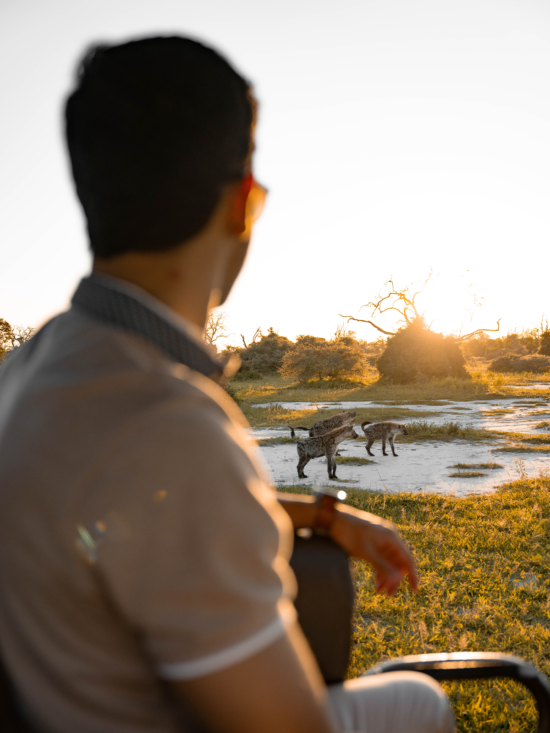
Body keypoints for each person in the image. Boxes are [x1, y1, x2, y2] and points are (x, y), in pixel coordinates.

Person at [0, 36, 454, 733]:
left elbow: (133, 507)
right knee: (421, 698)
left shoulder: (31, 372)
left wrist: (325, 516)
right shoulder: (168, 424)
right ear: (244, 202)